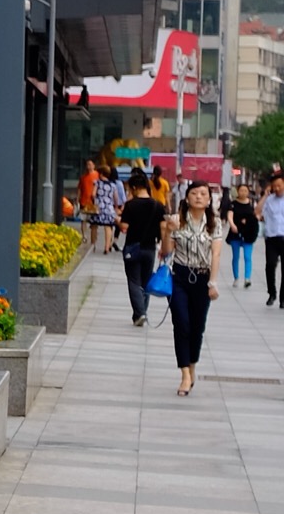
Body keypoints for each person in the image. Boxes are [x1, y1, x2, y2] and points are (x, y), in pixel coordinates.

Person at [162, 181, 221, 398]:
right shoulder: (177, 220)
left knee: (197, 327)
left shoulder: (214, 223)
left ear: (209, 200)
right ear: (187, 198)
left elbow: (216, 254)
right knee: (181, 323)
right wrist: (168, 231)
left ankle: (192, 365)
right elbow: (166, 252)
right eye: (194, 193)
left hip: (202, 278)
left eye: (203, 194)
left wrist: (212, 283)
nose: (198, 197)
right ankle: (185, 374)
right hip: (179, 276)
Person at [118, 167, 165, 326]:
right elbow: (163, 228)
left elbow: (124, 227)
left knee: (134, 281)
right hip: (150, 248)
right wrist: (163, 247)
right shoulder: (158, 205)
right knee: (146, 282)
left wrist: (117, 220)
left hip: (133, 247)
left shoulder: (131, 205)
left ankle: (140, 313)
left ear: (134, 188)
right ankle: (141, 313)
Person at [226, 181, 260, 291]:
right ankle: (236, 277)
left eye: (245, 190)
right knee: (235, 257)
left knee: (247, 256)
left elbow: (256, 215)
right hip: (235, 233)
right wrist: (232, 225)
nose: (243, 192)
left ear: (248, 192)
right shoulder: (233, 204)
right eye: (241, 190)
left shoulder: (252, 204)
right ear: (237, 191)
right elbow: (230, 215)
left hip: (248, 234)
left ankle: (247, 279)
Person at [93, 158, 123, 254]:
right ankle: (106, 247)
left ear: (101, 174)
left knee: (94, 225)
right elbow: (116, 198)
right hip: (109, 207)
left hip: (98, 207)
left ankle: (93, 245)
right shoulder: (113, 185)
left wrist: (94, 200)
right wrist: (116, 207)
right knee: (108, 226)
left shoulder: (97, 182)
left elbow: (93, 194)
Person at [263, 172, 284, 307]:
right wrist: (265, 196)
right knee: (270, 265)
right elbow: (257, 212)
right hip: (272, 238)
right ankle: (272, 292)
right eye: (274, 186)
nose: (277, 188)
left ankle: (283, 299)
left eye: (279, 185)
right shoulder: (269, 200)